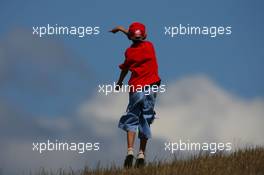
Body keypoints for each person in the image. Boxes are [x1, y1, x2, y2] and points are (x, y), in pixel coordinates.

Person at [110, 22, 161, 168]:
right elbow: (138, 37)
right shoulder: (149, 47)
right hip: (150, 88)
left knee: (132, 117)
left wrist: (119, 83)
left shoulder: (129, 53)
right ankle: (141, 154)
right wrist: (123, 30)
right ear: (144, 36)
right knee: (145, 118)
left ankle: (130, 151)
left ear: (130, 38)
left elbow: (125, 69)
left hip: (135, 88)